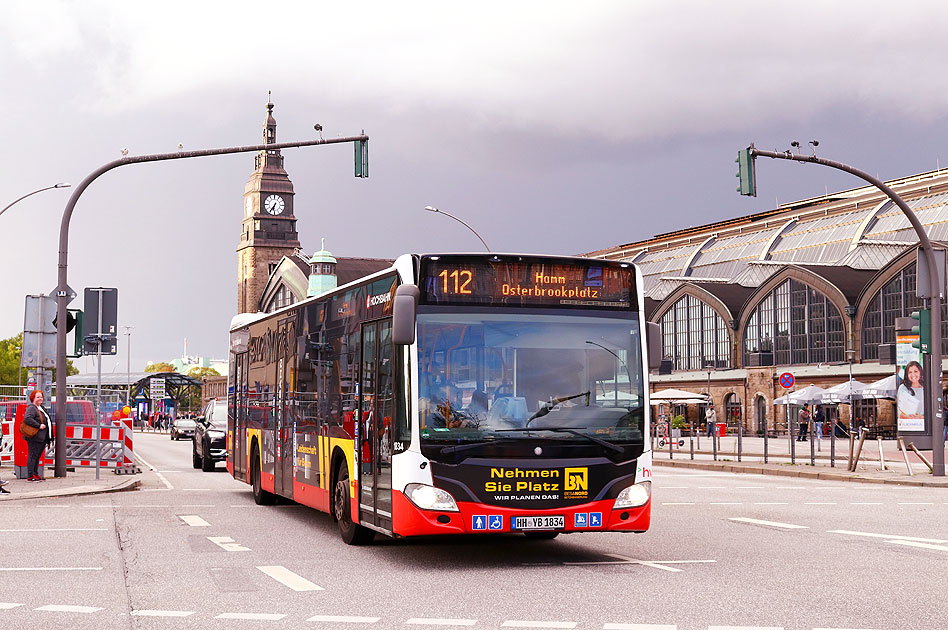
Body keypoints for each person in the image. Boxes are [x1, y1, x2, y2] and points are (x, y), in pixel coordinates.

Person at [23, 389, 54, 481]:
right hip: (34, 437)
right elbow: (27, 418)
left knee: (37, 456)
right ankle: (30, 475)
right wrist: (39, 425)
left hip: (41, 437)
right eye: (38, 397)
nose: (40, 399)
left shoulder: (41, 408)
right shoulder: (32, 408)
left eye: (41, 397)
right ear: (33, 398)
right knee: (33, 455)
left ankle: (35, 474)